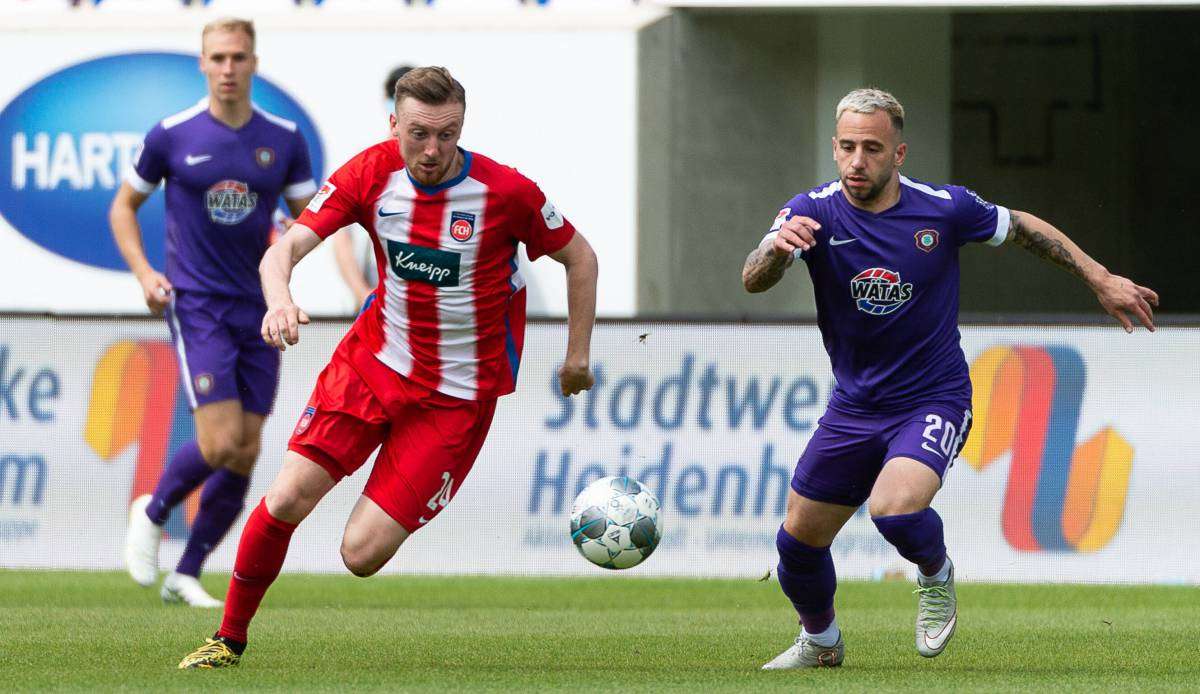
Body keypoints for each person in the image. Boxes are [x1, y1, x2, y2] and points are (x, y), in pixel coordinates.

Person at [178, 66, 598, 668]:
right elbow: (283, 252)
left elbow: (581, 258)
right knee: (287, 496)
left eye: (448, 135)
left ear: (462, 129)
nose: (432, 150)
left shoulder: (506, 193)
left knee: (361, 553)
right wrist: (281, 302)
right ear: (393, 124)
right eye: (419, 134)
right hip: (372, 365)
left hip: (456, 396)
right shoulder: (369, 173)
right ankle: (228, 639)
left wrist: (576, 356)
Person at [746, 88, 1158, 669]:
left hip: (931, 398)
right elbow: (752, 278)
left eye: (871, 148)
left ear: (899, 152)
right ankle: (821, 641)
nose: (857, 161)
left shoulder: (942, 208)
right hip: (854, 406)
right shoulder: (810, 211)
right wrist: (774, 251)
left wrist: (1099, 278)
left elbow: (1022, 227)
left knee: (895, 509)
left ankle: (935, 576)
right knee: (796, 543)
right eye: (846, 147)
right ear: (834, 148)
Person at [109, 17, 317, 608]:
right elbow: (123, 208)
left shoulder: (284, 137)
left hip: (262, 310)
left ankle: (188, 571)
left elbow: (312, 219)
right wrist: (146, 274)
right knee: (223, 439)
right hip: (197, 304)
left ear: (254, 62)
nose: (228, 68)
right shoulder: (172, 135)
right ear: (203, 64)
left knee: (246, 450)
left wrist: (305, 257)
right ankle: (151, 511)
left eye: (239, 57)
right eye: (218, 57)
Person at [331, 64, 415, 308]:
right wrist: (362, 293)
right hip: (378, 301)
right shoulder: (368, 166)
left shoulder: (443, 163)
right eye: (395, 95)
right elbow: (341, 236)